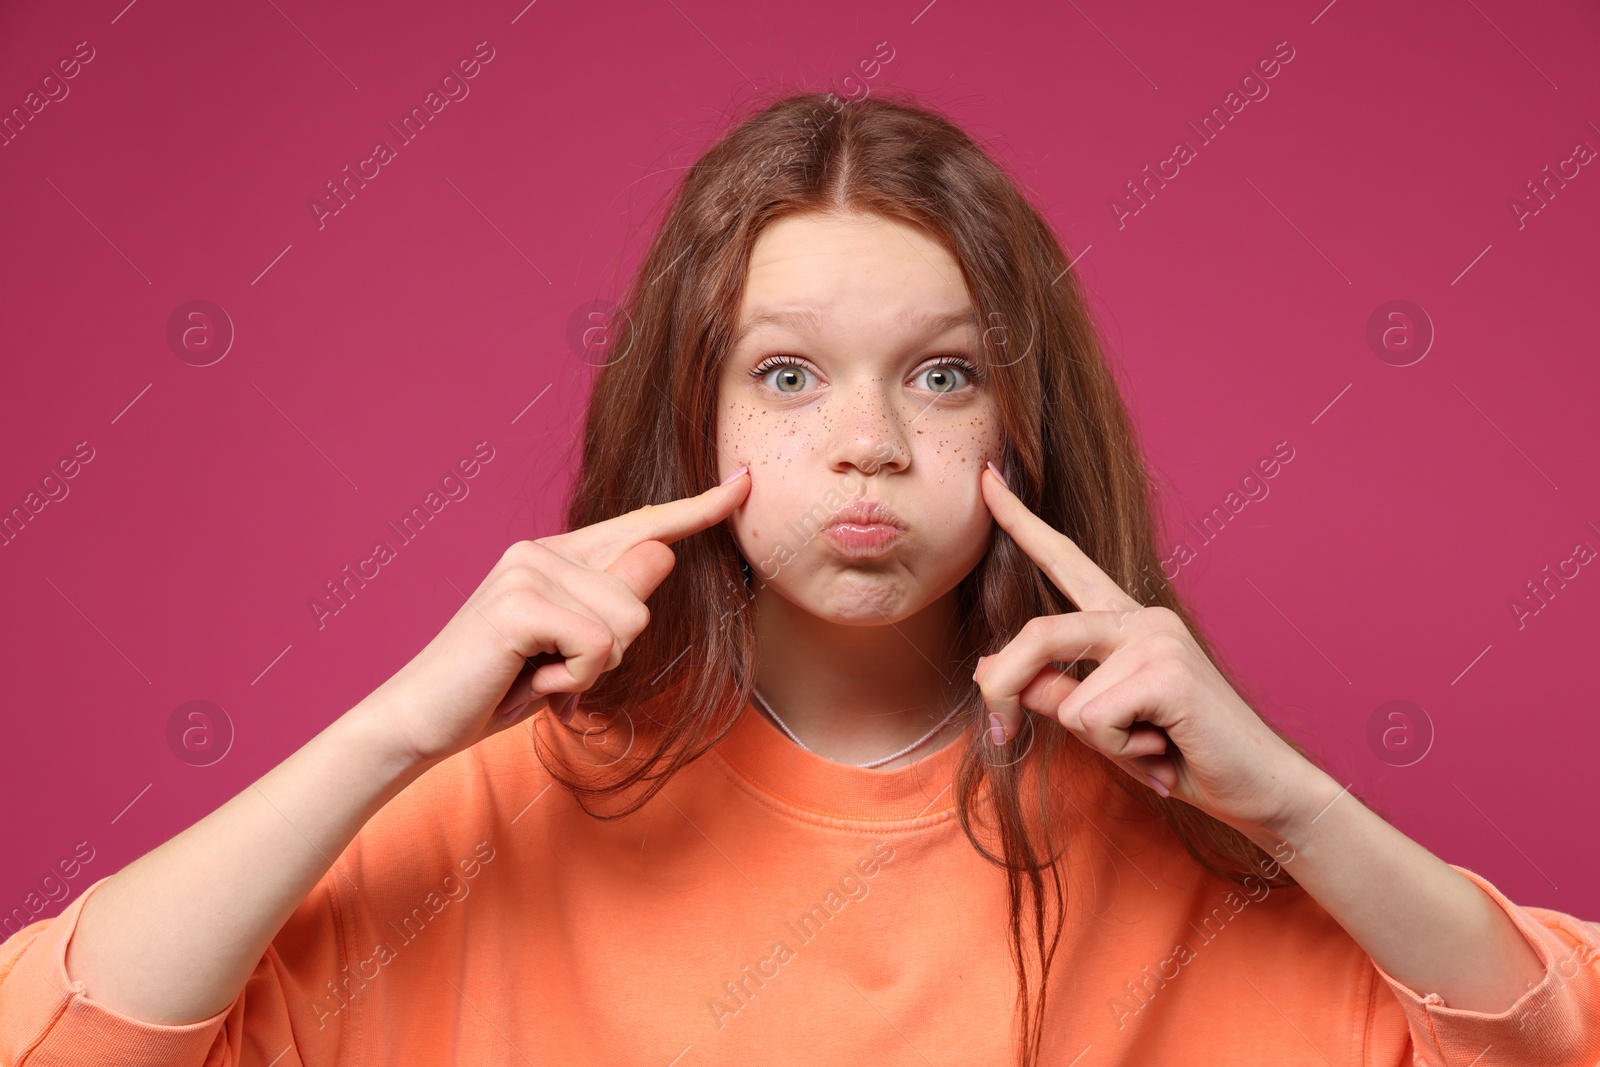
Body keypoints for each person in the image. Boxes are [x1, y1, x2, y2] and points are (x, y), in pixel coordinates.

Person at [3, 89, 1597, 1067]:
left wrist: (1297, 807)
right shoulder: (496, 813)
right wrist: (395, 733)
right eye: (786, 376)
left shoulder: (1188, 846)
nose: (868, 445)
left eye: (943, 376)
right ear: (685, 411)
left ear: (1025, 429)